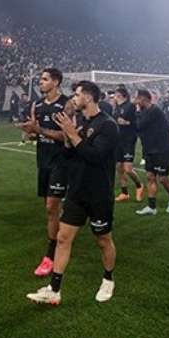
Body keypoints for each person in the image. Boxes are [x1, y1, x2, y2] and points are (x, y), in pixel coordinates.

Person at [26, 80, 119, 305]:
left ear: (88, 97)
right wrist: (68, 140)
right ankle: (54, 290)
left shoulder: (107, 125)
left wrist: (71, 134)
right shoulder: (79, 123)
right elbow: (69, 157)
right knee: (63, 238)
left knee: (103, 240)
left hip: (99, 194)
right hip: (77, 192)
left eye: (77, 95)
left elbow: (95, 157)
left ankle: (108, 279)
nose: (74, 99)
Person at [18, 68, 72, 278]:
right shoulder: (37, 105)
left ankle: (50, 254)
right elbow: (35, 134)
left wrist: (39, 130)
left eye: (45, 79)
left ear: (56, 82)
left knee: (51, 206)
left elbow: (67, 137)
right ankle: (62, 234)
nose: (40, 83)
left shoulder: (66, 104)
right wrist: (30, 131)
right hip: (43, 161)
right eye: (41, 79)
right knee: (50, 209)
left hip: (61, 161)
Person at [134, 89, 169, 215]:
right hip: (150, 150)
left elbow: (139, 125)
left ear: (143, 99)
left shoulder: (154, 111)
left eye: (137, 99)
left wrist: (136, 112)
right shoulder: (145, 111)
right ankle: (152, 207)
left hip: (162, 150)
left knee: (163, 179)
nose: (136, 101)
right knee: (150, 177)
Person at [112, 87, 144, 203]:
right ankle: (124, 193)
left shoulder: (130, 106)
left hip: (128, 140)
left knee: (128, 169)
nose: (114, 97)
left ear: (121, 95)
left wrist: (127, 123)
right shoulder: (116, 107)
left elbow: (138, 122)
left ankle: (139, 185)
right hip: (118, 140)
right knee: (119, 168)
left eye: (115, 94)